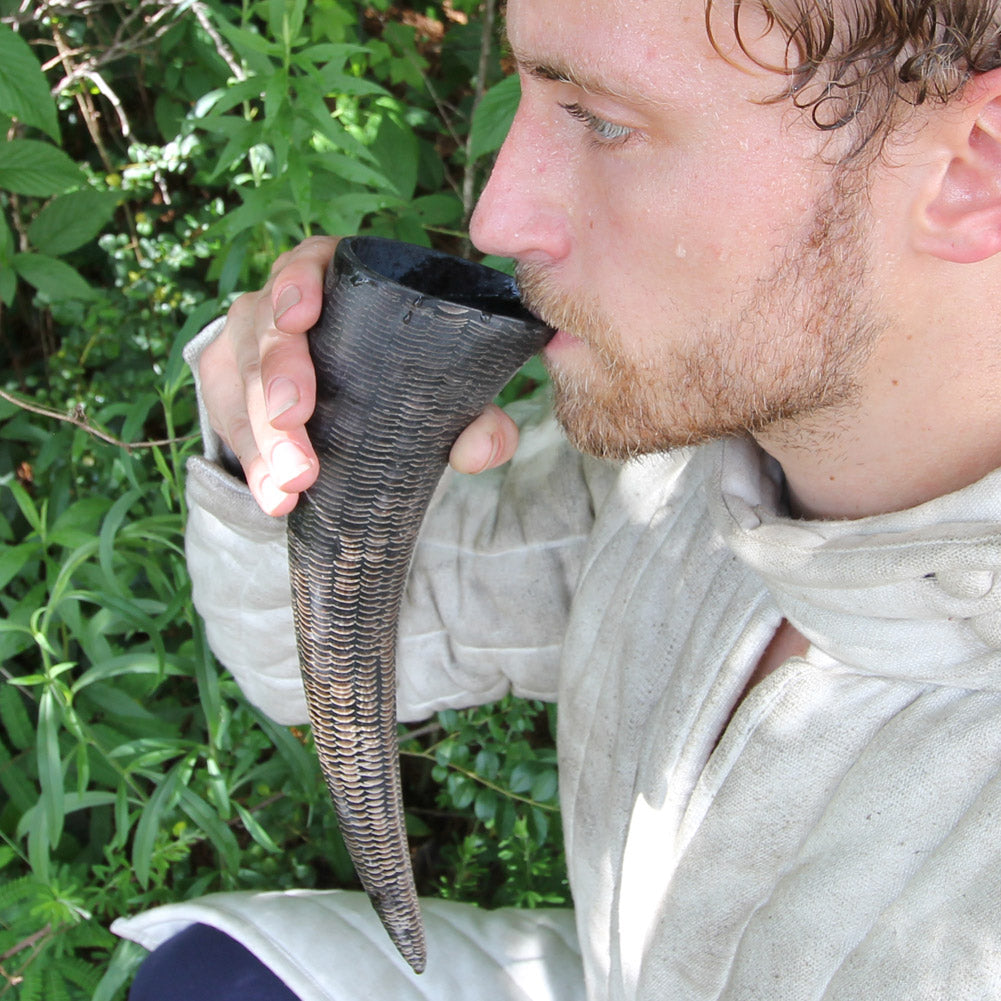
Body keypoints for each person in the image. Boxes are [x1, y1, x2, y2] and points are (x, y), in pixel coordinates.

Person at [113, 0, 1001, 997]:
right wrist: (273, 442)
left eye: (601, 120)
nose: (497, 216)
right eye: (525, 92)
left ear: (969, 165)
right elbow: (299, 661)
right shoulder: (674, 476)